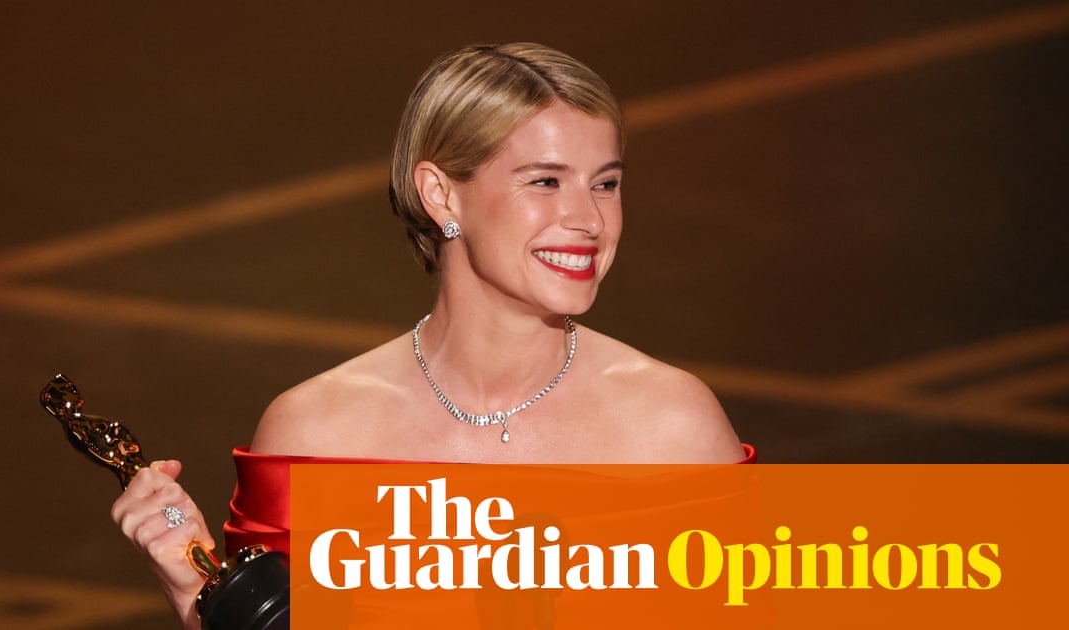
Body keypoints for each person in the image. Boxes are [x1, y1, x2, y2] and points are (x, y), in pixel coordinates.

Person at [111, 42, 753, 629]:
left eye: (605, 184)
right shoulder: (316, 437)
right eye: (546, 181)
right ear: (441, 195)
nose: (588, 219)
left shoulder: (673, 430)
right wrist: (195, 594)